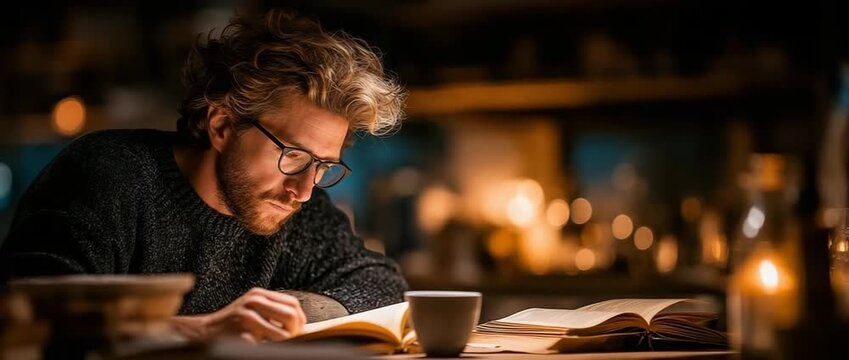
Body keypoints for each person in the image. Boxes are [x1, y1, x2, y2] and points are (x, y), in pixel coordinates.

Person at [0, 9, 408, 343]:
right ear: (221, 126)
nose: (303, 189)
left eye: (323, 165)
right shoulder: (108, 175)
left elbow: (380, 283)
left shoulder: (297, 206)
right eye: (294, 154)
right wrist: (207, 330)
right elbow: (24, 319)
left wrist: (289, 312)